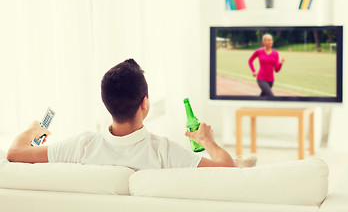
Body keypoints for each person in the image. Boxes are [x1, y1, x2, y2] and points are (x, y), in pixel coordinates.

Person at [7, 59, 255, 170]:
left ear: (107, 103)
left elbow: (15, 153)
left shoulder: (81, 146)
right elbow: (227, 168)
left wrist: (33, 129)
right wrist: (207, 141)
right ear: (144, 104)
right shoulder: (164, 152)